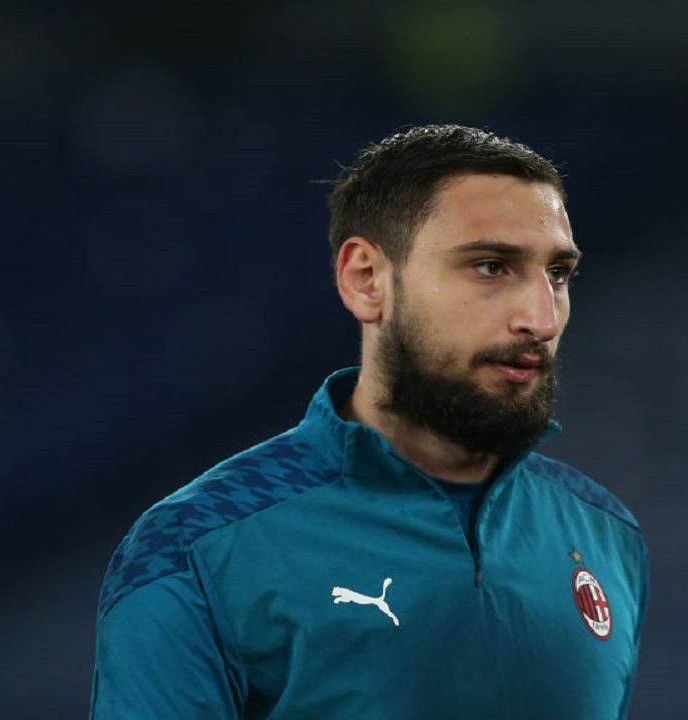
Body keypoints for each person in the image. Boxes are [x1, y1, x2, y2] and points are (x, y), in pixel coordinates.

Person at [89, 125, 648, 719]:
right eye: (490, 267)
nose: (542, 317)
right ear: (366, 279)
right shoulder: (194, 546)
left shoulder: (606, 535)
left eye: (558, 274)